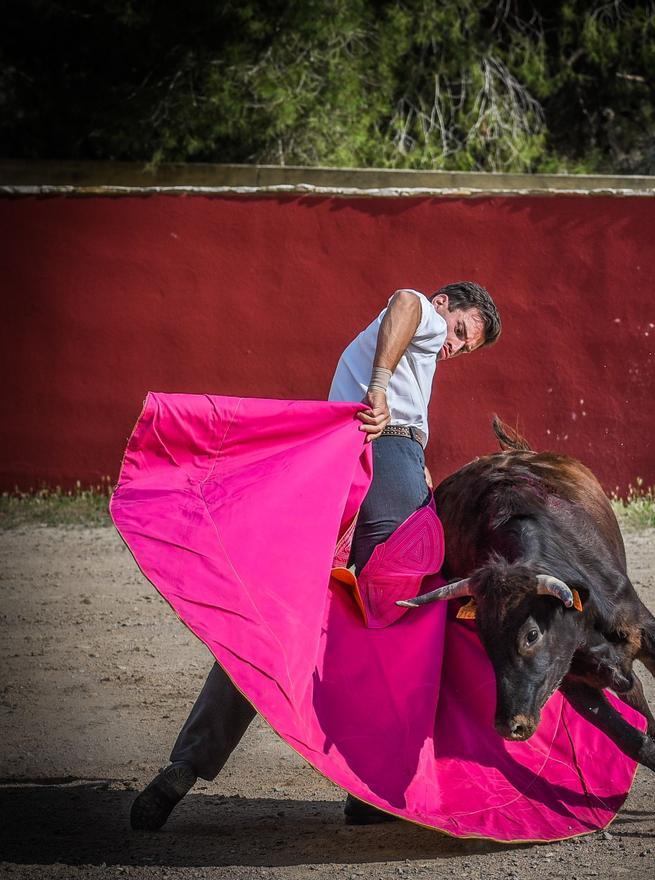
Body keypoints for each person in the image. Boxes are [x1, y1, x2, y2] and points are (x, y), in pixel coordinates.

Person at [130, 281, 501, 830]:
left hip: (338, 470)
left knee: (274, 617)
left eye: (464, 349)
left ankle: (184, 769)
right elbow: (405, 302)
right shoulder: (422, 311)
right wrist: (383, 396)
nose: (454, 347)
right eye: (460, 332)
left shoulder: (407, 351)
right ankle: (377, 788)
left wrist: (411, 447)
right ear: (445, 305)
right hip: (386, 470)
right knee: (408, 628)